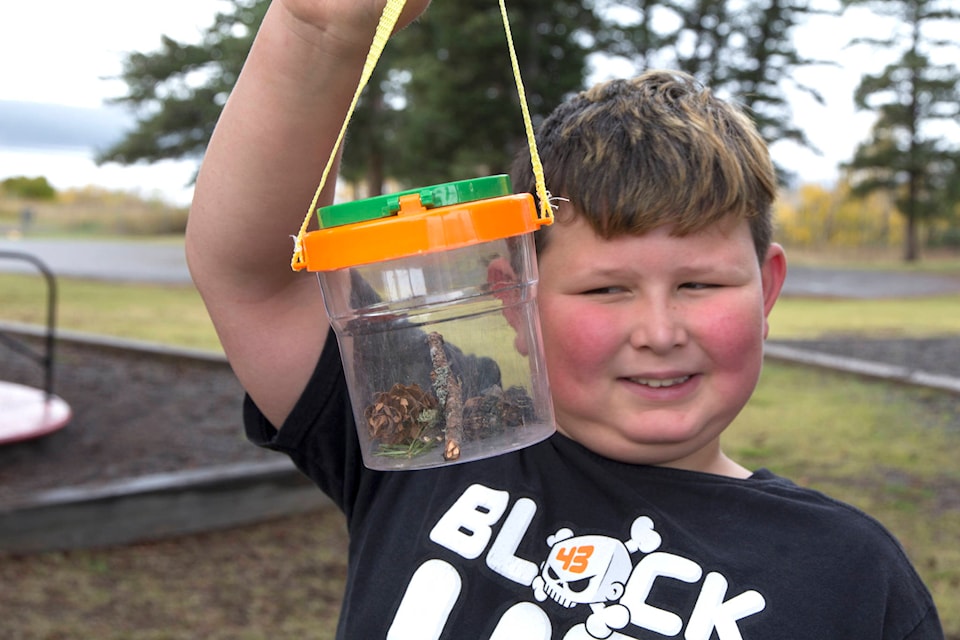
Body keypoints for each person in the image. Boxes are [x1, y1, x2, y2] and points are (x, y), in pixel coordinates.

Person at [186, 1, 944, 638]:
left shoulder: (848, 574)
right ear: (515, 298)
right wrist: (317, 29)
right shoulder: (442, 426)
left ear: (767, 290)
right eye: (604, 291)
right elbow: (251, 272)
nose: (658, 330)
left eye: (700, 284)